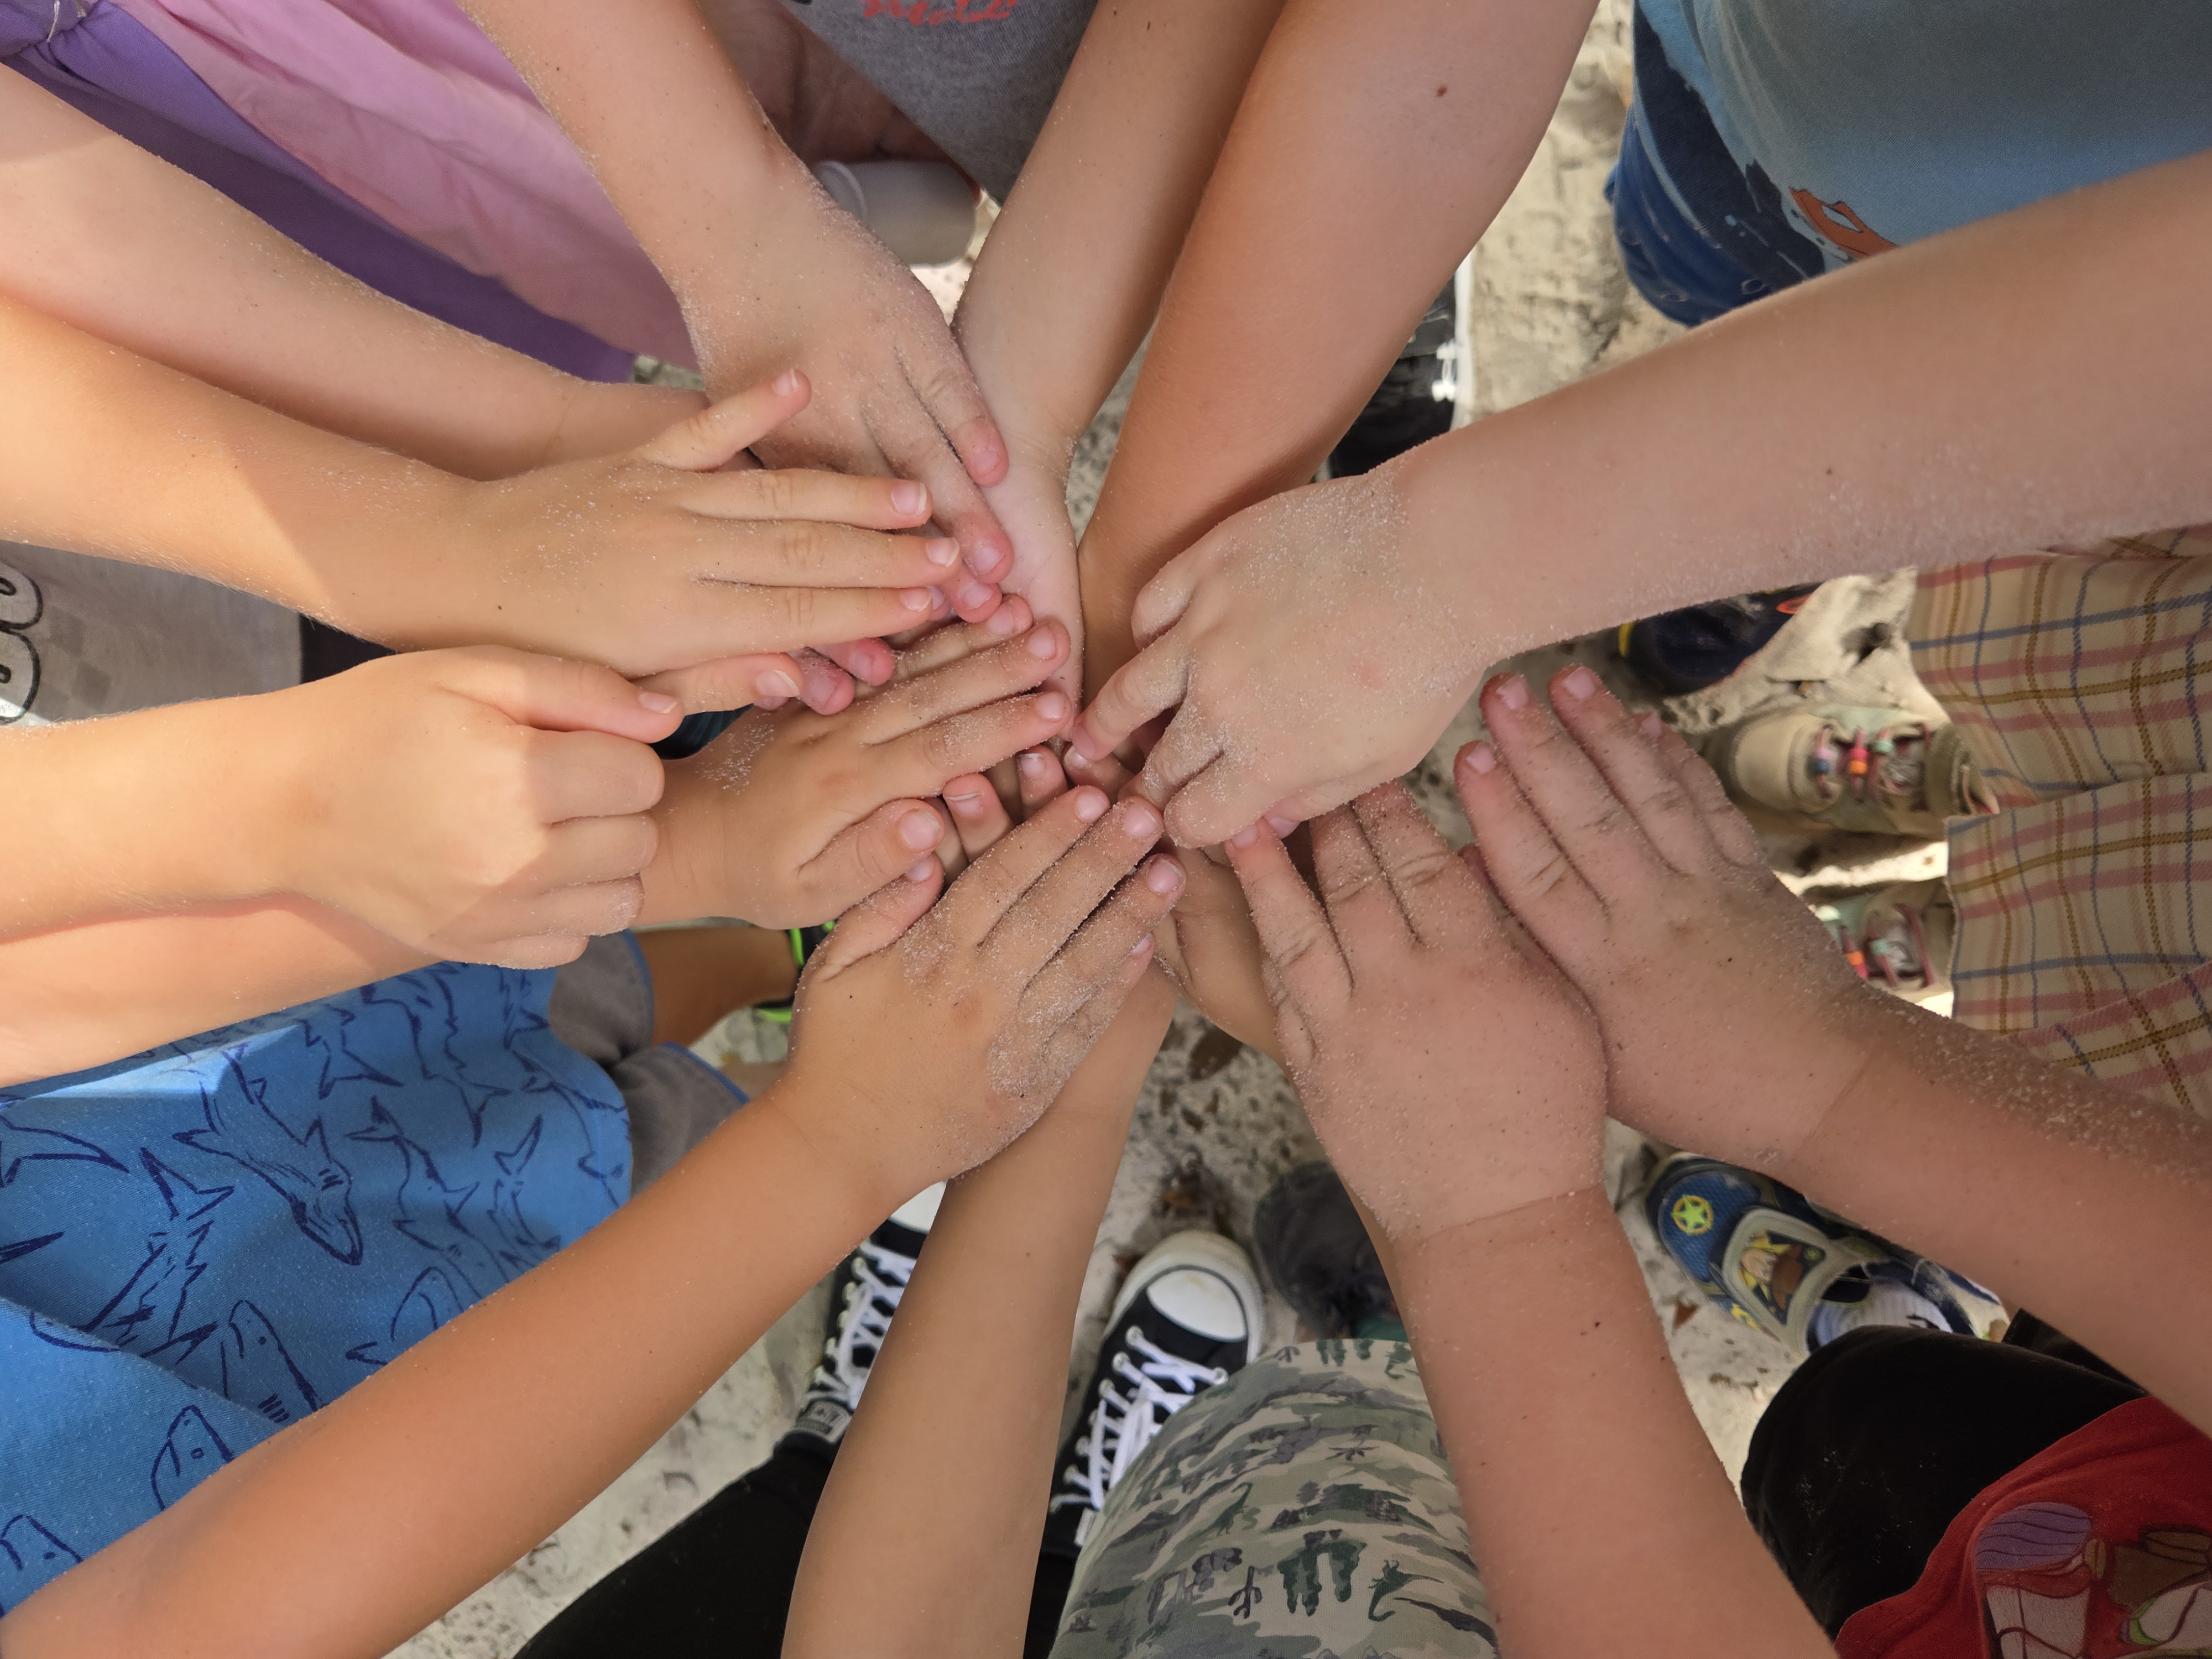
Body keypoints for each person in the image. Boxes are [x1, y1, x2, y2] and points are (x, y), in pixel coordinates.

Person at [773, 673, 2212, 1656]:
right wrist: (1825, 1073)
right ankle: (1422, 1354)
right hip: (2099, 1537)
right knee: (1862, 1428)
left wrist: (1500, 1221)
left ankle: (1142, 1485)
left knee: (1299, 1506)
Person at [0, 731, 1187, 1653]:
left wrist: (696, 860)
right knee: (614, 1182)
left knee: (537, 1031)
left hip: (156, 1091)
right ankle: (827, 1047)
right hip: (322, 1375)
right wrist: (844, 1136)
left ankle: (792, 959)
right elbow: (181, 1614)